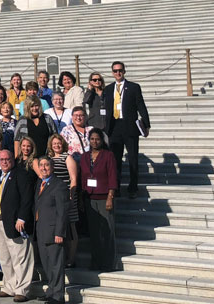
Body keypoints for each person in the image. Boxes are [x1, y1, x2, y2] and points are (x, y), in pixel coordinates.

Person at [0, 148, 34, 302]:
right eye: (1, 160)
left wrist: (22, 218)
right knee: (5, 257)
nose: (4, 162)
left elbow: (27, 198)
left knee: (20, 257)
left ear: (12, 160)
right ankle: (9, 287)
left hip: (16, 223)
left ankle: (22, 289)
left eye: (7, 159)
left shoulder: (21, 175)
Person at [103, 61, 150, 198]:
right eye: (115, 71)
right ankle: (115, 187)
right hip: (114, 127)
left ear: (124, 71)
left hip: (129, 126)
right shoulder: (109, 89)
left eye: (120, 70)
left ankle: (133, 187)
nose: (118, 73)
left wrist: (146, 124)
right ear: (112, 73)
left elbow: (141, 106)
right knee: (115, 159)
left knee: (133, 158)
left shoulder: (134, 87)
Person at [79, 128, 118, 272]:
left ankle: (109, 263)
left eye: (97, 139)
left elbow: (113, 177)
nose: (95, 142)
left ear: (102, 141)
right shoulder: (84, 157)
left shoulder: (108, 155)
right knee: (94, 233)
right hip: (89, 198)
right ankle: (95, 261)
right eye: (92, 139)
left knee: (107, 231)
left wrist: (110, 197)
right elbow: (83, 178)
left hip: (104, 197)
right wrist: (81, 199)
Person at [33, 157, 69, 304]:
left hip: (54, 233)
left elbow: (62, 211)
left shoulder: (59, 185)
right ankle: (51, 292)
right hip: (41, 231)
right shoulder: (39, 184)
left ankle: (58, 296)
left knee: (56, 265)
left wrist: (59, 233)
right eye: (41, 165)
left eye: (46, 165)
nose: (43, 168)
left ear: (52, 167)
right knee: (47, 265)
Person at [47, 134, 79, 268]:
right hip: (53, 200)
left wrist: (71, 196)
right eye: (54, 143)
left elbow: (73, 179)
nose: (57, 145)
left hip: (67, 197)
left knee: (70, 228)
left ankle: (71, 258)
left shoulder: (68, 157)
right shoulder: (48, 159)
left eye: (59, 143)